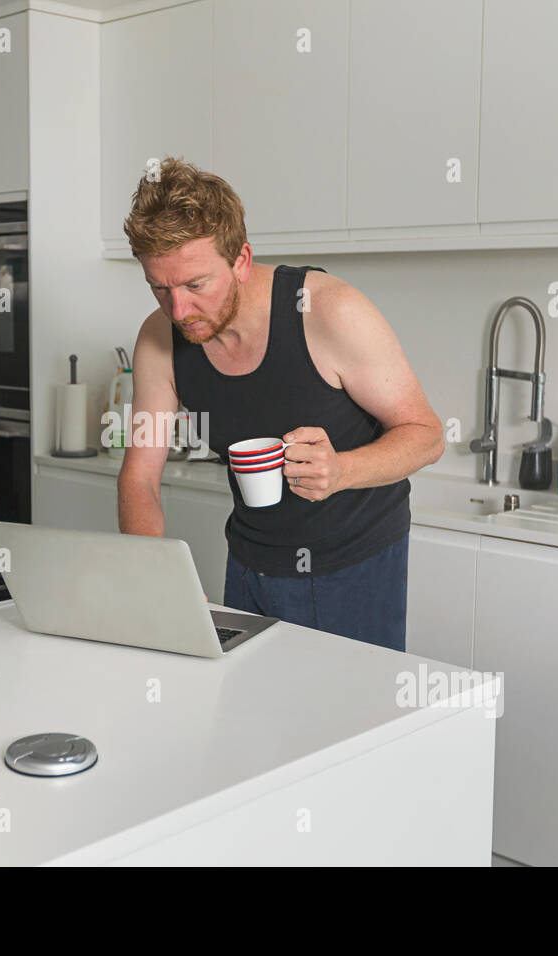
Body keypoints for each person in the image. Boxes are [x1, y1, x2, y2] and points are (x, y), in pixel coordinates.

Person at [116, 158, 444, 651]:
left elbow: (426, 434)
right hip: (249, 562)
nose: (178, 310)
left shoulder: (331, 311)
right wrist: (158, 578)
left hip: (354, 564)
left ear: (241, 260)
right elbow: (140, 475)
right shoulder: (158, 340)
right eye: (160, 288)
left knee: (350, 719)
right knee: (250, 720)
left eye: (195, 285)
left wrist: (342, 469)